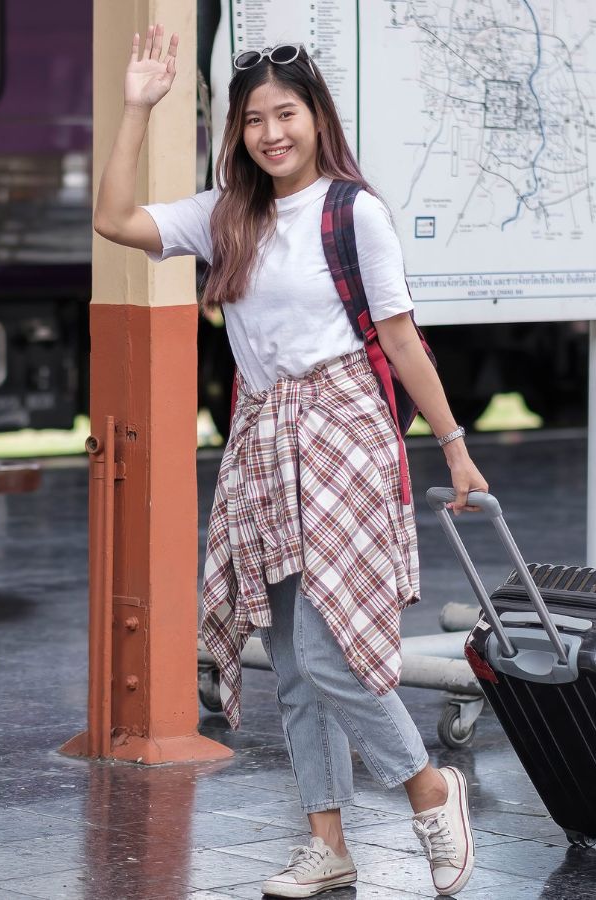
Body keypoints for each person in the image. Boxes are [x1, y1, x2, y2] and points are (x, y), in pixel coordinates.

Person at [92, 26, 490, 898]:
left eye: (288, 114)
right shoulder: (225, 215)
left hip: (344, 426)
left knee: (329, 652)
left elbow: (400, 340)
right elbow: (114, 219)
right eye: (254, 120)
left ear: (317, 118)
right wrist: (136, 107)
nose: (272, 133)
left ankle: (429, 788)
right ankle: (328, 842)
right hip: (263, 437)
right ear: (236, 132)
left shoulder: (355, 211)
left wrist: (455, 446)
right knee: (293, 657)